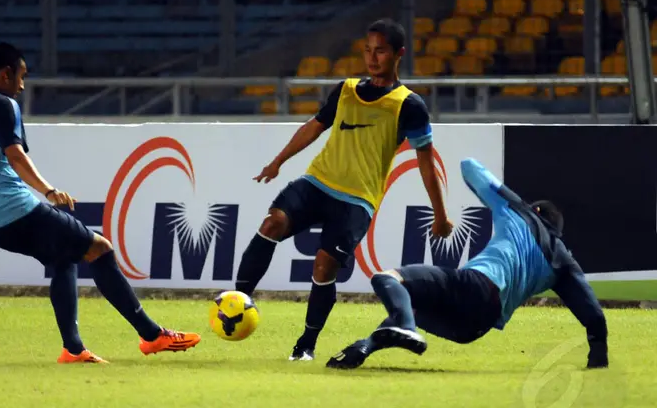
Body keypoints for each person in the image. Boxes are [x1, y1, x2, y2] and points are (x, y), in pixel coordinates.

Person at [0, 42, 201, 364]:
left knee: (64, 258)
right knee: (100, 248)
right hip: (14, 208)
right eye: (21, 77)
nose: (21, 86)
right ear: (4, 74)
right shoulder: (3, 105)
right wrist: (49, 191)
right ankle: (152, 335)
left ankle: (73, 350)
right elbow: (15, 155)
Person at [234, 19, 453, 361]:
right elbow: (313, 128)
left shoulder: (409, 105)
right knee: (271, 224)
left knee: (324, 267)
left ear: (399, 54)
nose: (372, 57)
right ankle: (236, 303)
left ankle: (305, 344)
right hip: (317, 182)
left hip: (356, 201)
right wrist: (277, 162)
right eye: (368, 50)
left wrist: (440, 215)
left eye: (380, 50)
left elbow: (426, 162)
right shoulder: (346, 89)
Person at [326, 158, 609, 370]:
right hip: (476, 326)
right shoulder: (563, 261)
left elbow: (468, 166)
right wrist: (598, 354)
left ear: (535, 210)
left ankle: (408, 329)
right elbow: (593, 314)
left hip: (476, 286)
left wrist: (512, 199)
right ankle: (364, 346)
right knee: (410, 306)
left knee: (387, 280)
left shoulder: (519, 212)